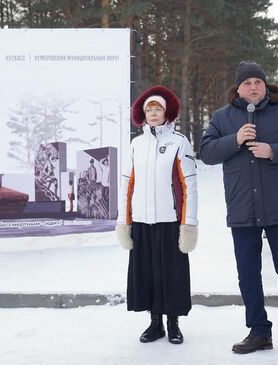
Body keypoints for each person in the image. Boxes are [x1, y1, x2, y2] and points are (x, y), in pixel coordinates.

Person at [199, 61, 278, 361]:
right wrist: (235, 139)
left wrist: (273, 150)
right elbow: (207, 153)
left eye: (258, 82)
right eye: (247, 82)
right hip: (242, 207)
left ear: (266, 87)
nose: (253, 87)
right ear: (238, 88)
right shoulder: (222, 117)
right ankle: (259, 332)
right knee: (248, 275)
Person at [115, 85, 198, 345]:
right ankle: (155, 323)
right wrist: (124, 221)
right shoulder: (136, 144)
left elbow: (189, 185)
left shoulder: (178, 142)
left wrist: (188, 224)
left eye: (157, 109)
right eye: (149, 109)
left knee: (170, 273)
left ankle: (173, 323)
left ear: (166, 113)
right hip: (142, 220)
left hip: (169, 220)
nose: (152, 113)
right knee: (147, 273)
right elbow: (127, 183)